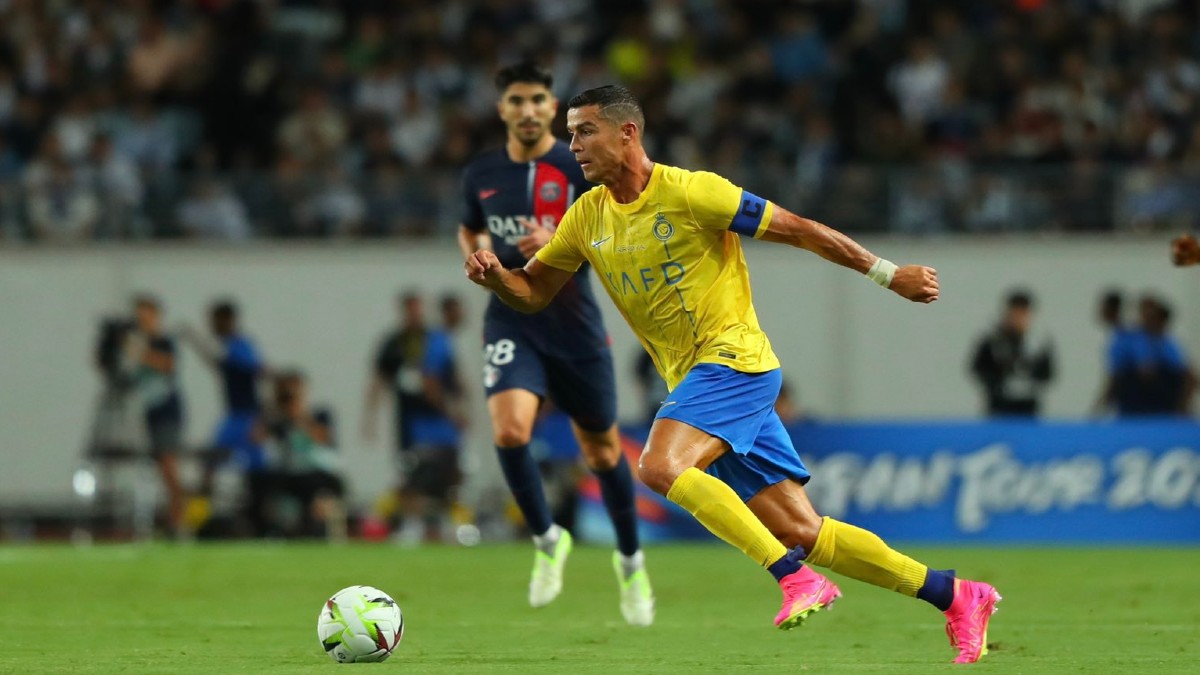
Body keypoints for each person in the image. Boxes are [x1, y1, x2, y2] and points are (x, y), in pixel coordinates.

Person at [465, 84, 998, 664]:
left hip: (735, 362)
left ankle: (793, 578)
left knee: (660, 466)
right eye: (570, 134)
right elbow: (533, 291)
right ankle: (956, 596)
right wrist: (498, 279)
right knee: (802, 530)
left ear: (628, 133)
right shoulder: (586, 216)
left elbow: (799, 228)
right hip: (699, 382)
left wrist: (887, 274)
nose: (573, 146)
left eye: (585, 131)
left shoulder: (694, 192)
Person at [456, 63, 653, 626]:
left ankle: (631, 561)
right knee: (510, 430)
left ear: (550, 106)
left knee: (603, 453)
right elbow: (469, 226)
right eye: (516, 100)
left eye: (538, 99)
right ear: (503, 109)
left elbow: (617, 227)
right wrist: (477, 254)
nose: (527, 110)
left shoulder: (578, 164)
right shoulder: (482, 172)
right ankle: (547, 539)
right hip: (511, 318)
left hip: (574, 323)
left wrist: (562, 239)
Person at [363, 291, 464, 544]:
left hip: (440, 422)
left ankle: (441, 522)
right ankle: (413, 522)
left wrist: (458, 409)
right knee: (412, 473)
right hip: (412, 421)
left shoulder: (435, 339)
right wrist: (370, 419)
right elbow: (379, 380)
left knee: (447, 473)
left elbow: (451, 377)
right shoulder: (394, 342)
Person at [178, 299, 270, 536]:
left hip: (246, 418)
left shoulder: (240, 345)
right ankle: (197, 522)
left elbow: (260, 372)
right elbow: (217, 362)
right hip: (235, 416)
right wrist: (194, 339)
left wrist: (263, 420)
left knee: (253, 474)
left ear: (227, 320)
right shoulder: (229, 347)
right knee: (212, 468)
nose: (213, 326)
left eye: (215, 321)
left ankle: (262, 524)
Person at [263, 369, 346, 540]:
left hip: (317, 472)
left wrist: (301, 416)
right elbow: (256, 437)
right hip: (290, 474)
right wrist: (273, 408)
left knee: (327, 494)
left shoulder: (320, 414)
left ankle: (326, 531)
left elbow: (323, 439)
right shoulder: (279, 420)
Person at [130, 294, 186, 535]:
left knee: (168, 464)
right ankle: (169, 518)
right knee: (159, 466)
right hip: (150, 410)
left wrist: (139, 352)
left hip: (166, 409)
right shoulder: (137, 342)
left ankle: (179, 519)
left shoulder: (162, 342)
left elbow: (168, 365)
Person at [969, 289, 1055, 417]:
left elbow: (1047, 373)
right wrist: (996, 383)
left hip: (1029, 406)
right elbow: (978, 368)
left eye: (1023, 314)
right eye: (1015, 314)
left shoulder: (1038, 343)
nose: (1018, 319)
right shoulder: (992, 341)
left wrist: (1031, 383)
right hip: (998, 405)